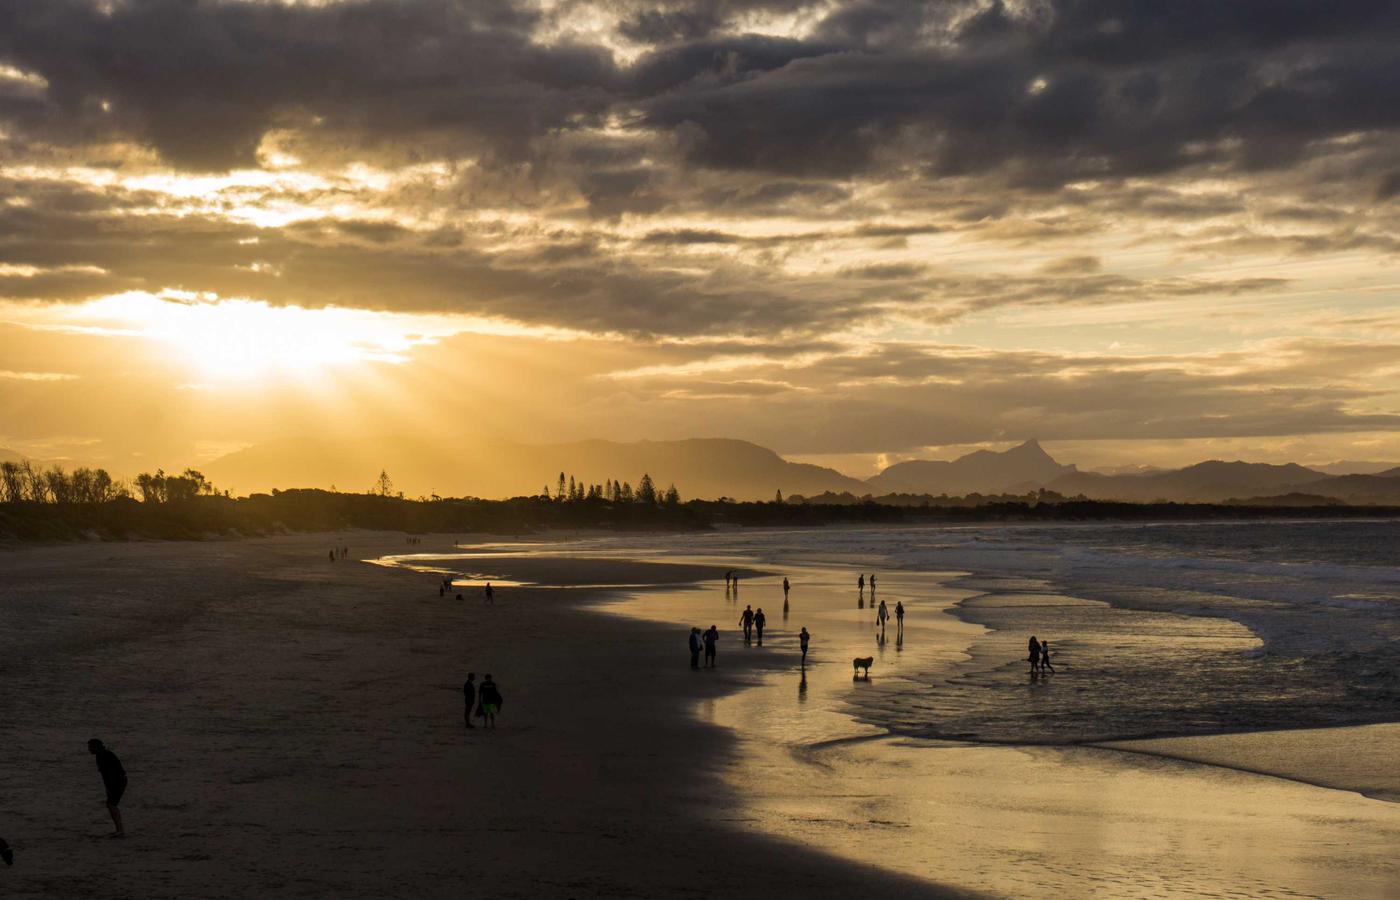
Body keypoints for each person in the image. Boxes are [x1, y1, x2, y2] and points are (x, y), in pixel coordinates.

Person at [87, 739, 126, 837]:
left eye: (90, 747)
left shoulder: (103, 756)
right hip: (117, 781)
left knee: (111, 805)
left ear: (95, 747)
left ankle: (120, 830)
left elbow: (109, 773)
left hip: (117, 781)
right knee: (111, 804)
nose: (89, 749)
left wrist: (109, 787)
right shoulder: (102, 754)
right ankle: (119, 829)